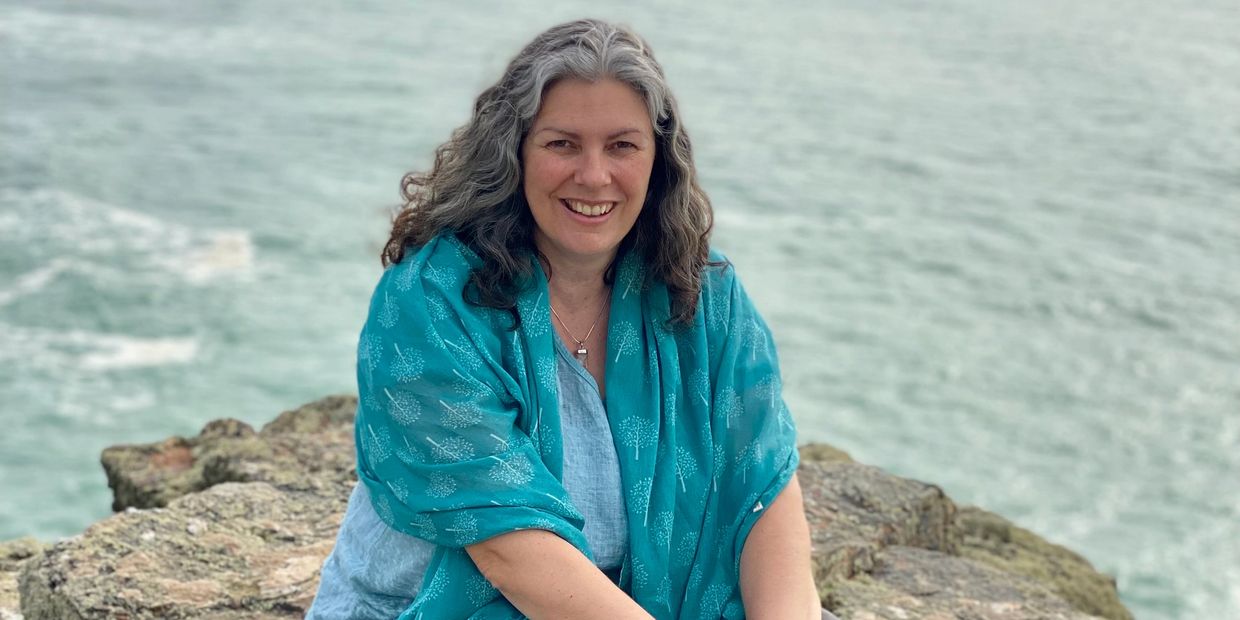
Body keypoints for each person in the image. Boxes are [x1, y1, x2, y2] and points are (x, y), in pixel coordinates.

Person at [309, 18, 831, 620]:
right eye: (562, 143)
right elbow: (511, 553)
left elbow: (761, 481)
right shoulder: (430, 304)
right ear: (515, 152)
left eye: (622, 145)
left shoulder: (703, 292)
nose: (594, 175)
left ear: (658, 159)